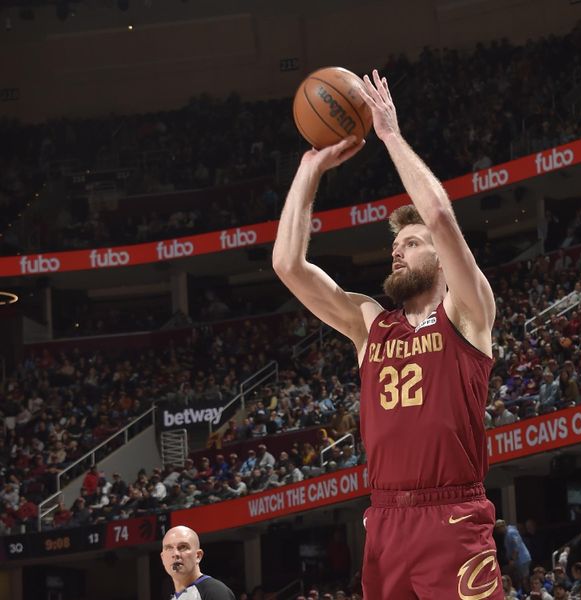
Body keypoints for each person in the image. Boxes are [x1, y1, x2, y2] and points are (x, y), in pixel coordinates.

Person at [273, 69, 501, 599]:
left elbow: (441, 217)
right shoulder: (370, 323)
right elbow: (288, 264)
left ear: (440, 259)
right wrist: (309, 170)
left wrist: (389, 135)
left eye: (412, 242)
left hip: (453, 516)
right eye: (395, 245)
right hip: (384, 520)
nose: (398, 250)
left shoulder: (467, 313)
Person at [160, 525, 235, 599]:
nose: (175, 554)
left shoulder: (215, 592)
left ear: (198, 556)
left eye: (183, 547)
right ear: (163, 558)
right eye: (169, 548)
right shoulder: (175, 597)